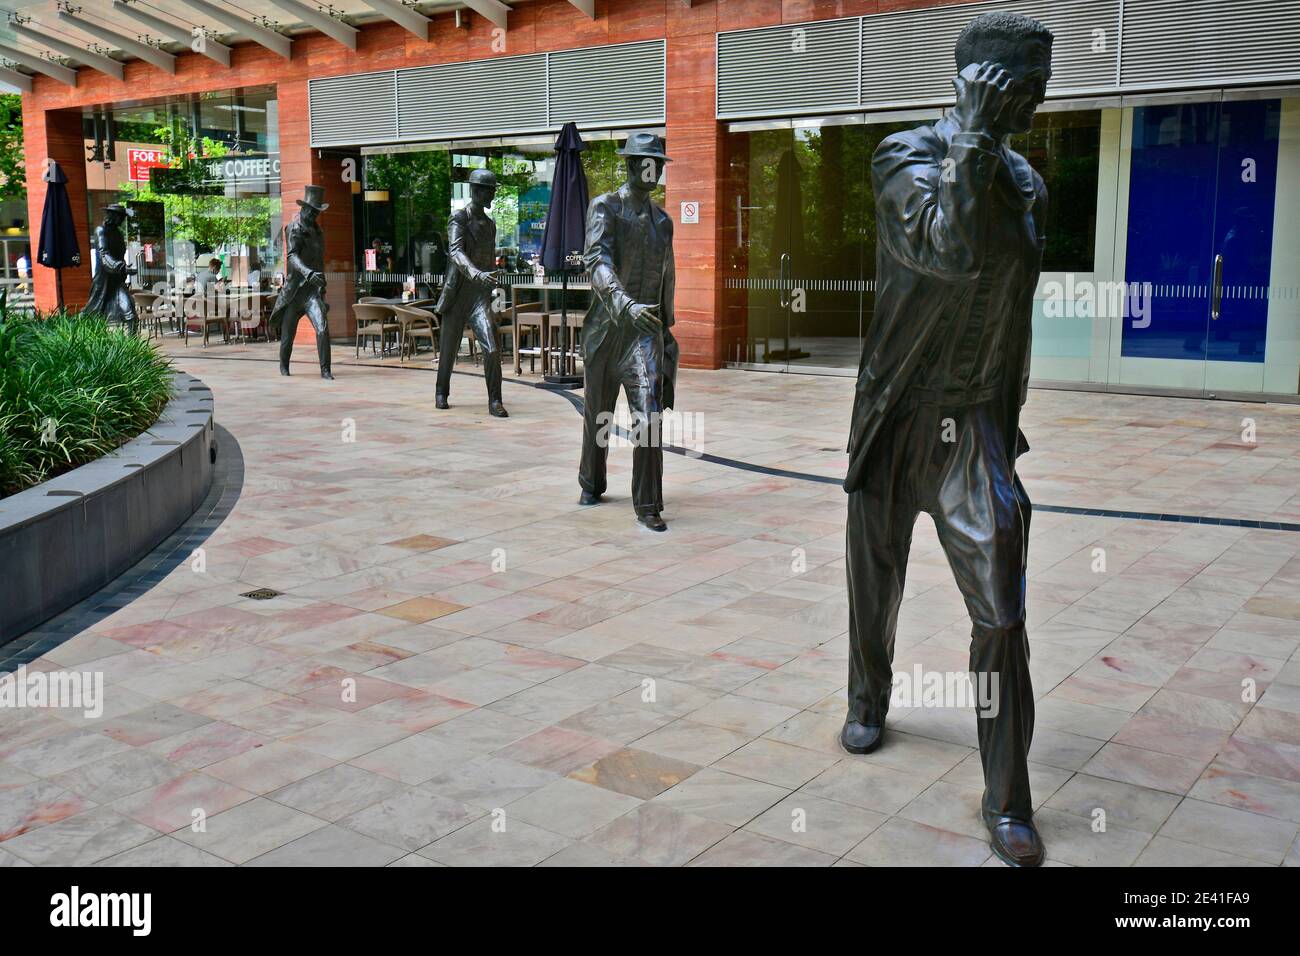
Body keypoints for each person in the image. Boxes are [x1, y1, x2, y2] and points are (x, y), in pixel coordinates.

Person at [840, 11, 1053, 867]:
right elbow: (948, 248)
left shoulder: (1025, 180)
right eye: (1030, 83)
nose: (1042, 98)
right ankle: (868, 696)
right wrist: (968, 136)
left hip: (976, 430)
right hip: (898, 419)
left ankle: (1008, 799)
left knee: (1002, 609)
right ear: (987, 83)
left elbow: (1012, 297)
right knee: (875, 580)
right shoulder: (905, 158)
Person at [576, 131, 679, 532]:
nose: (652, 170)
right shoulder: (606, 207)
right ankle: (591, 481)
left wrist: (667, 332)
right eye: (646, 162)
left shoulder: (663, 222)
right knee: (596, 414)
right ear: (632, 165)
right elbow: (597, 261)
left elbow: (667, 278)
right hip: (608, 330)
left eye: (657, 163)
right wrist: (625, 305)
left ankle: (648, 503)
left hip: (645, 333)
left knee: (649, 415)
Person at [434, 168, 508, 417]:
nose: (493, 195)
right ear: (477, 191)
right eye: (490, 190)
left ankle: (495, 400)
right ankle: (441, 391)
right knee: (448, 350)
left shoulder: (490, 225)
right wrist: (477, 273)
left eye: (494, 190)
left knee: (492, 348)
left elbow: (488, 260)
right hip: (457, 295)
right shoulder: (459, 218)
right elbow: (455, 253)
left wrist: (492, 279)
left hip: (479, 297)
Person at [269, 185, 333, 379]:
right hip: (295, 292)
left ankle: (326, 370)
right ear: (304, 208)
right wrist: (308, 273)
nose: (314, 215)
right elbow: (292, 256)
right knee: (288, 335)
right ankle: (284, 366)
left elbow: (320, 261)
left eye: (317, 212)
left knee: (322, 327)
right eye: (312, 211)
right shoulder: (294, 228)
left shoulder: (318, 232)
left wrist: (321, 285)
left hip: (312, 292)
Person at [83, 204, 138, 333]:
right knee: (93, 313)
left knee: (130, 315)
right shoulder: (100, 231)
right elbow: (104, 255)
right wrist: (121, 267)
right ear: (113, 217)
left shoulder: (118, 234)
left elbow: (119, 256)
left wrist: (124, 268)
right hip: (103, 281)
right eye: (121, 217)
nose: (122, 220)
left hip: (117, 281)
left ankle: (131, 347)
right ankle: (82, 337)